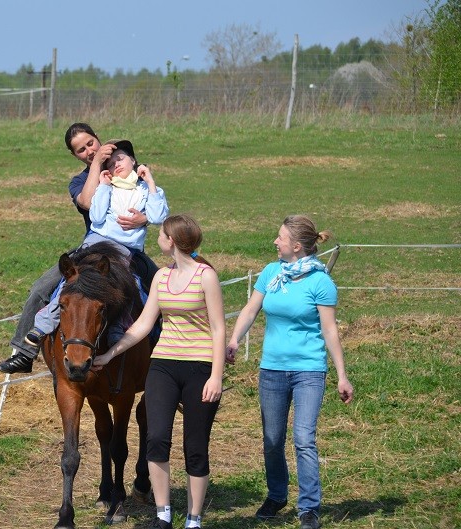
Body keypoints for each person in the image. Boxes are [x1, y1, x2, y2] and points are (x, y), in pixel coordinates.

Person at [93, 214, 225, 529]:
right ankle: (163, 514)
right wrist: (110, 353)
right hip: (163, 365)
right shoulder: (161, 277)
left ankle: (194, 519)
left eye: (161, 234)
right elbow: (143, 324)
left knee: (195, 447)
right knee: (155, 440)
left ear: (172, 241)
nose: (158, 239)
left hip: (200, 367)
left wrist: (216, 376)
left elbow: (218, 329)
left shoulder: (206, 276)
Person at [0, 124, 158, 374]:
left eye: (91, 143)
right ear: (75, 156)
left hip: (129, 251)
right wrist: (97, 166)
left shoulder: (127, 167)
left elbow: (155, 203)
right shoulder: (80, 181)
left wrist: (143, 219)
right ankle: (25, 352)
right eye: (81, 150)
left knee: (162, 291)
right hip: (91, 249)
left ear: (98, 138)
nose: (89, 151)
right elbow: (88, 202)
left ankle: (161, 363)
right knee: (41, 288)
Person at [225, 215, 354, 529]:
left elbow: (329, 330)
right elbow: (251, 309)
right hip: (271, 369)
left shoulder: (321, 282)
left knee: (304, 439)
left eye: (280, 237)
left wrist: (341, 374)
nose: (275, 241)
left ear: (296, 246)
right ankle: (277, 495)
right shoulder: (272, 273)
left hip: (308, 370)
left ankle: (309, 507)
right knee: (272, 439)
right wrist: (234, 339)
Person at [26, 139, 168, 347]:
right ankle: (44, 323)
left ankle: (124, 329)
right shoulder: (107, 187)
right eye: (110, 164)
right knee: (73, 280)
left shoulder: (147, 190)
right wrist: (103, 187)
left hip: (124, 248)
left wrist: (151, 183)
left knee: (132, 285)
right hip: (96, 241)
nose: (116, 164)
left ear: (133, 161)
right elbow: (97, 216)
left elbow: (158, 217)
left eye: (121, 159)